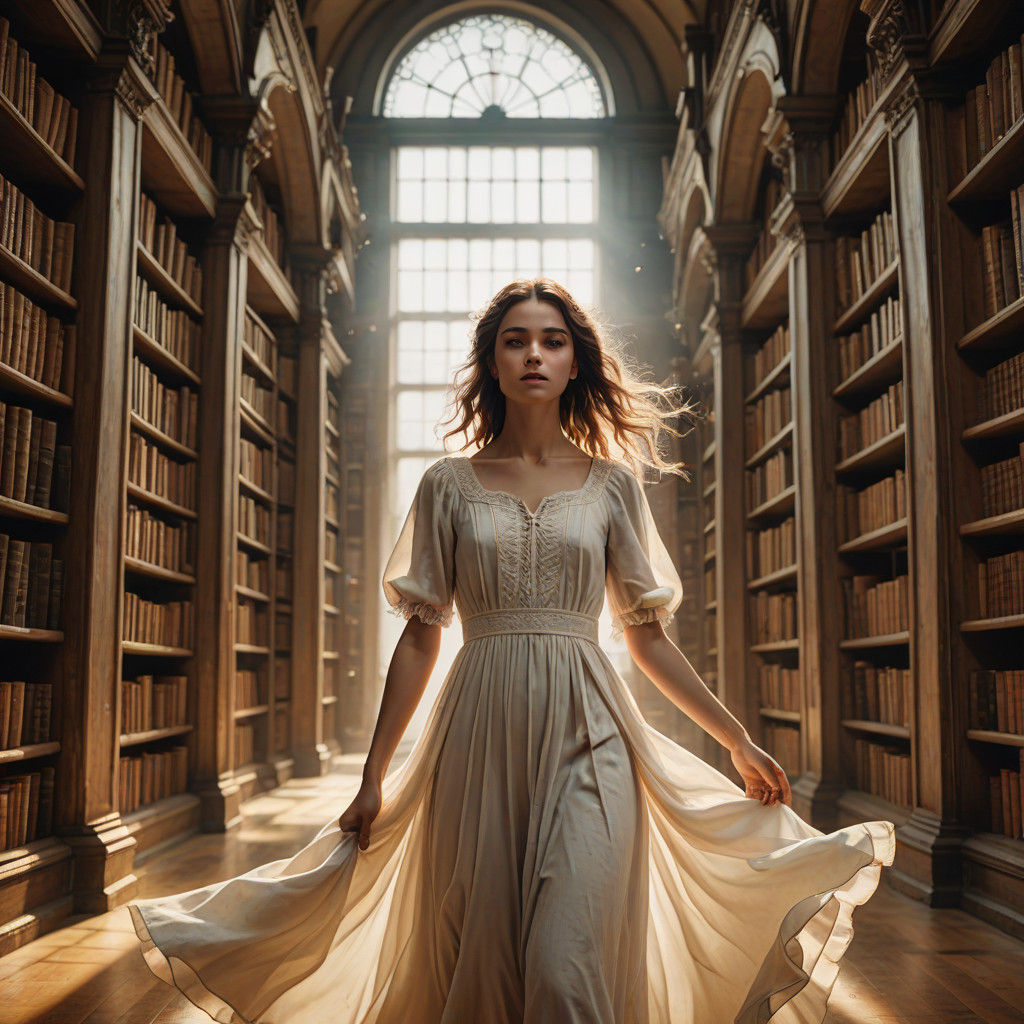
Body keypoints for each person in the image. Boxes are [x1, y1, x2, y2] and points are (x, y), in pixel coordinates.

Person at [128, 278, 895, 1024]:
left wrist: (738, 739)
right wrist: (372, 777)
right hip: (477, 734)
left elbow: (648, 637)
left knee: (568, 964)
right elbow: (421, 637)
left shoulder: (612, 488)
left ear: (574, 362)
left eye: (552, 341)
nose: (534, 353)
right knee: (483, 957)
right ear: (492, 363)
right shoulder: (447, 486)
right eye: (515, 341)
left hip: (592, 732)